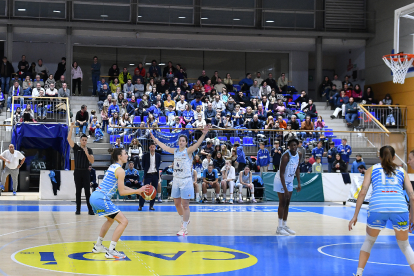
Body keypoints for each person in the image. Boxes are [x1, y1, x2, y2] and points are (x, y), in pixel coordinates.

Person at [349, 146, 414, 276]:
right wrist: (412, 215)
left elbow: (362, 193)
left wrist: (355, 216)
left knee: (369, 241)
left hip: (378, 207)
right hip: (399, 208)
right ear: (394, 157)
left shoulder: (372, 169)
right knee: (405, 245)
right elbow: (412, 196)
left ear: (379, 157)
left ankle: (358, 273)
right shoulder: (402, 170)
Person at [89, 148, 149, 259]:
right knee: (124, 221)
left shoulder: (113, 167)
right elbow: (122, 192)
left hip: (94, 197)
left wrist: (138, 190)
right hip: (101, 198)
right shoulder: (120, 171)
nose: (127, 155)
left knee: (110, 219)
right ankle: (111, 250)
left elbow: (120, 186)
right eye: (125, 153)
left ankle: (98, 246)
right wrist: (137, 191)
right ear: (119, 157)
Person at [150, 125, 209, 235]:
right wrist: (155, 139)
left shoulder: (188, 151)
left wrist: (204, 134)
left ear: (186, 142)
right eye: (180, 141)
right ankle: (185, 219)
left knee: (185, 205)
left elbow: (197, 145)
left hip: (186, 180)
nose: (181, 142)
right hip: (176, 180)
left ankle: (184, 227)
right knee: (177, 203)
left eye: (183, 141)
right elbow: (163, 146)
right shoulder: (175, 151)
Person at [273, 138, 301, 236]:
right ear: (289, 146)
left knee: (287, 203)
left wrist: (299, 183)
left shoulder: (299, 155)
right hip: (280, 180)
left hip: (289, 181)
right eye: (292, 145)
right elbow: (281, 174)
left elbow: (297, 168)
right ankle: (279, 227)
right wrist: (285, 189)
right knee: (282, 202)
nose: (294, 147)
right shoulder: (286, 156)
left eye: (295, 145)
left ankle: (284, 225)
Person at [67, 122, 95, 215]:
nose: (84, 141)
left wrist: (87, 153)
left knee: (87, 192)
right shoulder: (76, 148)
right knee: (78, 191)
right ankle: (78, 209)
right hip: (77, 171)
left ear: (87, 141)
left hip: (86, 172)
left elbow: (92, 161)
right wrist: (71, 128)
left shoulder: (89, 150)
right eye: (83, 140)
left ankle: (90, 210)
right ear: (80, 140)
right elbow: (68, 139)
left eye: (85, 140)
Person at [139, 141, 161, 211]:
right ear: (149, 148)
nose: (152, 148)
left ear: (155, 147)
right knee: (144, 190)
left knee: (154, 190)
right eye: (151, 147)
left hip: (155, 174)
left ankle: (151, 205)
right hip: (148, 174)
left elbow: (158, 165)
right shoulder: (145, 155)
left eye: (153, 147)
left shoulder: (158, 155)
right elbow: (143, 165)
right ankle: (140, 205)